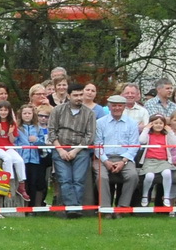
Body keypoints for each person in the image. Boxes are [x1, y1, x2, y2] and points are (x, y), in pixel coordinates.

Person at [48, 84, 97, 217]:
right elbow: (52, 132)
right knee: (65, 179)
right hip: (60, 148)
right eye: (75, 95)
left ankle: (74, 208)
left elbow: (90, 136)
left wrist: (75, 151)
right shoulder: (57, 110)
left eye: (81, 95)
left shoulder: (90, 114)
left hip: (81, 150)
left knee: (78, 180)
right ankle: (72, 208)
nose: (79, 98)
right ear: (69, 96)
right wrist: (61, 150)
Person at [95, 94, 141, 211]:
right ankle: (106, 209)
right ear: (109, 107)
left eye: (120, 106)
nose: (117, 108)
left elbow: (134, 145)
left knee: (133, 176)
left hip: (124, 158)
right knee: (101, 177)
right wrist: (106, 161)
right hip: (104, 157)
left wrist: (123, 161)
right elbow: (97, 145)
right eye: (114, 105)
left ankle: (122, 207)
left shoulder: (132, 123)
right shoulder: (100, 123)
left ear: (124, 107)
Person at [15, 103, 51, 207]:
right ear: (21, 115)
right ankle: (22, 207)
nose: (27, 115)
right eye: (24, 113)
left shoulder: (37, 128)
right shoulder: (17, 128)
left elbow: (42, 143)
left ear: (33, 114)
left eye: (29, 113)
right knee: (23, 184)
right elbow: (14, 142)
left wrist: (36, 141)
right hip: (22, 160)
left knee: (34, 184)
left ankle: (32, 207)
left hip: (35, 160)